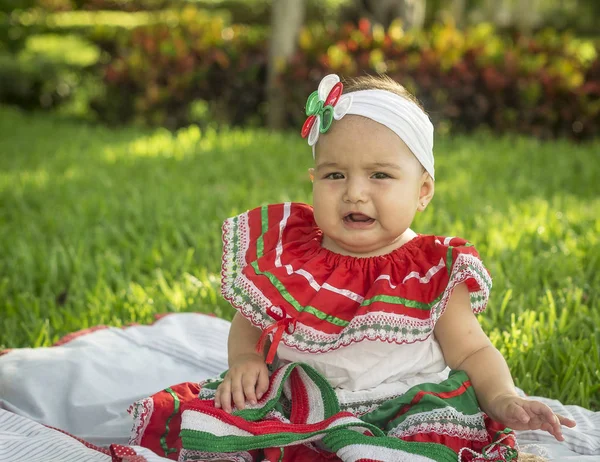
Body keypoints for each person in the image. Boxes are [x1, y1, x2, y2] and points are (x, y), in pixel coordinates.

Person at [128, 74, 576, 462]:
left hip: (404, 404)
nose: (354, 193)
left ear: (422, 191)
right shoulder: (294, 254)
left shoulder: (433, 270)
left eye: (380, 176)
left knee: (412, 448)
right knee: (230, 427)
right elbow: (251, 320)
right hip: (299, 397)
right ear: (314, 179)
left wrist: (501, 397)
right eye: (335, 175)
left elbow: (473, 352)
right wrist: (246, 360)